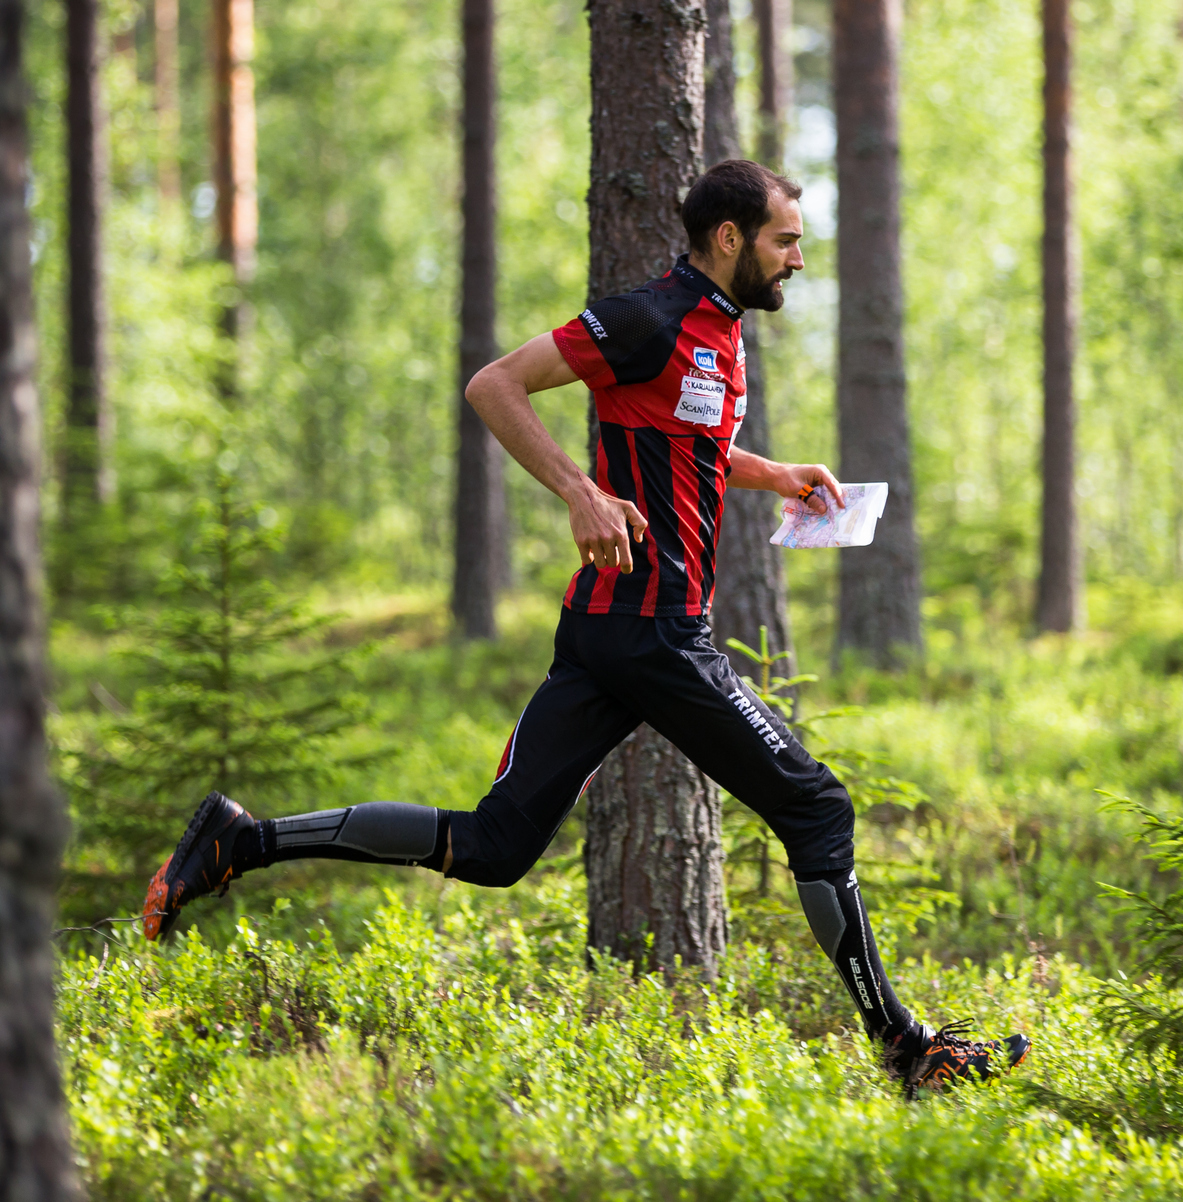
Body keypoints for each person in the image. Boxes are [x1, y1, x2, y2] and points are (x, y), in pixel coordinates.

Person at [140, 159, 1031, 1096]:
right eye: (785, 241)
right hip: (654, 631)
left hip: (611, 634)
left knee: (491, 849)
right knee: (819, 807)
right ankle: (910, 1049)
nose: (798, 260)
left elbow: (691, 441)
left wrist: (774, 476)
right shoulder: (647, 318)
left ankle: (239, 842)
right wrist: (580, 490)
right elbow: (495, 385)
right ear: (730, 239)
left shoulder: (721, 336)